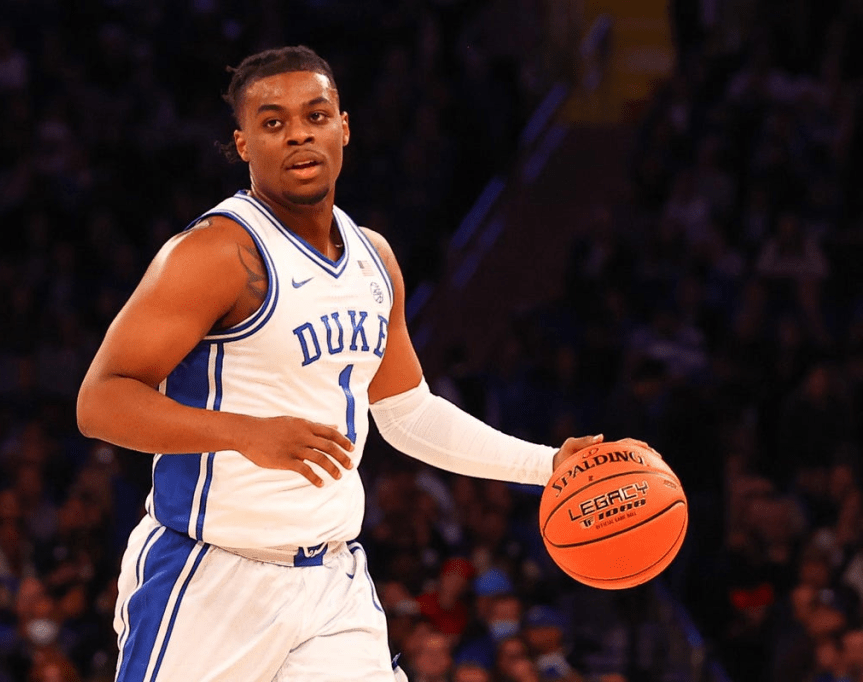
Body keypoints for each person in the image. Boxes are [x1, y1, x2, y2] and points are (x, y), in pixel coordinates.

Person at [77, 45, 647, 681]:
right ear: (243, 144)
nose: (298, 133)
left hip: (332, 580)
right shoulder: (215, 254)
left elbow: (408, 414)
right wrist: (245, 434)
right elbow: (100, 401)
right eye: (273, 122)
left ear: (343, 127)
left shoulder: (374, 258)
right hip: (208, 577)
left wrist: (548, 465)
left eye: (315, 115)